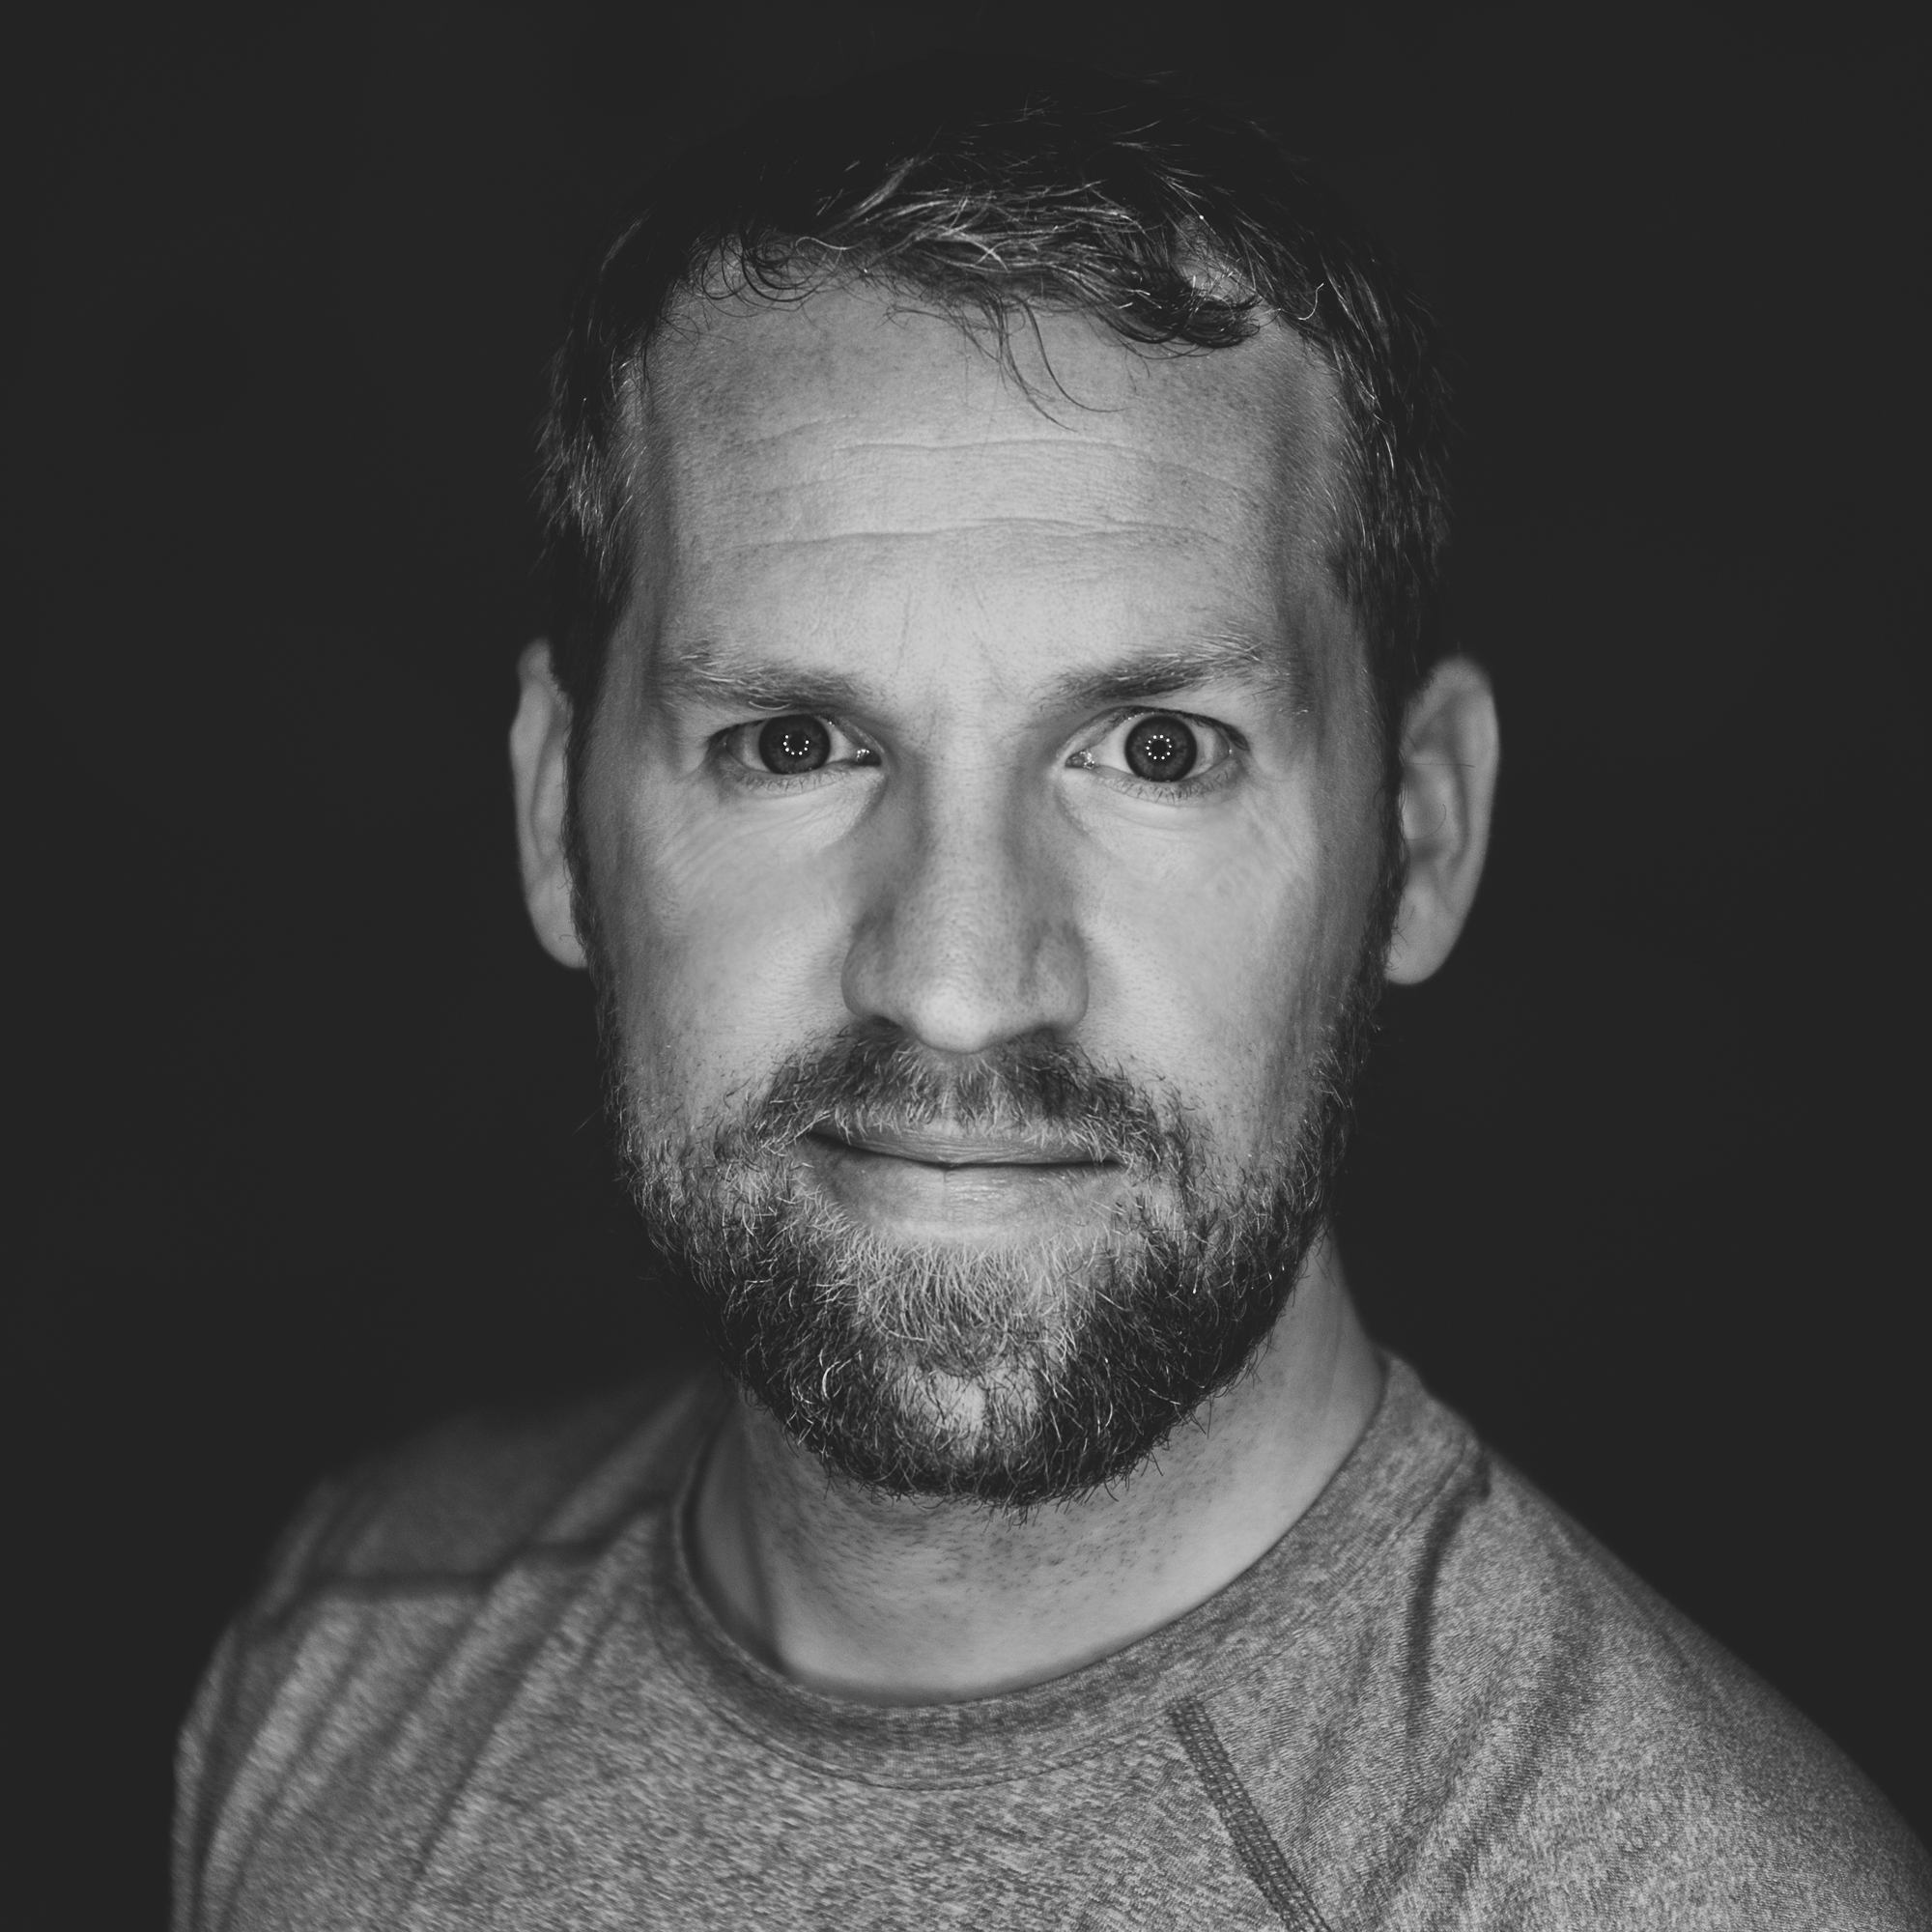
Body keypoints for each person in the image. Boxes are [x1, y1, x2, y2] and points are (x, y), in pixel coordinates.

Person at [172, 58, 1930, 1930]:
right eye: (793, 741)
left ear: (1419, 835)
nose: (953, 983)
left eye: (1158, 749)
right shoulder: (343, 1649)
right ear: (554, 814)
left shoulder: (1687, 1894)